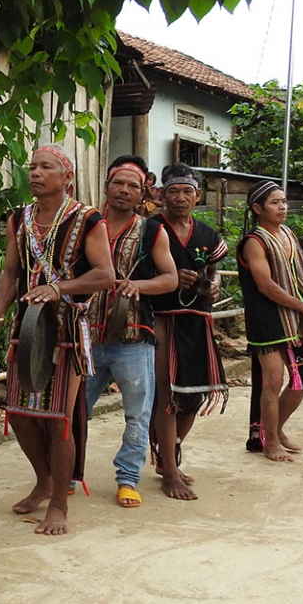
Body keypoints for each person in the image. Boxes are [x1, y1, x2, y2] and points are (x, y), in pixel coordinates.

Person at [0, 145, 112, 534]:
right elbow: (11, 270)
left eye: (46, 167)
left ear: (66, 177)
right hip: (26, 328)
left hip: (67, 329)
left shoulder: (87, 219)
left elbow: (105, 275)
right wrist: (0, 307)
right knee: (20, 415)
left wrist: (59, 288)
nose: (35, 173)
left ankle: (59, 505)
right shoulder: (19, 218)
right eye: (32, 166)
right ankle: (44, 479)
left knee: (58, 421)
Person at [82, 156, 178, 508]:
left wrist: (138, 285)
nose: (124, 191)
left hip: (133, 338)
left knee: (137, 411)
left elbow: (170, 277)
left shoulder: (152, 230)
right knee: (74, 409)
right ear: (106, 186)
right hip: (85, 337)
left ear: (142, 194)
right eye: (118, 183)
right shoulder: (85, 224)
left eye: (133, 186)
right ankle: (70, 472)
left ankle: (128, 477)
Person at [238, 180, 303, 462]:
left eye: (283, 201)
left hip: (294, 318)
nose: (282, 207)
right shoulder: (254, 242)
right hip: (267, 319)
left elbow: (301, 272)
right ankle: (269, 442)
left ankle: (276, 430)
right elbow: (266, 285)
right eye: (275, 203)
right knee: (273, 381)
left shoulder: (287, 234)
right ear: (257, 208)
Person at [146, 165, 230, 498]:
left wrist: (212, 286)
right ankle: (168, 470)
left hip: (198, 318)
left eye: (187, 192)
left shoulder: (207, 234)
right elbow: (135, 267)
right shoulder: (150, 229)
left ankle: (171, 453)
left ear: (197, 196)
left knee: (194, 394)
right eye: (174, 191)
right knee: (168, 396)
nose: (181, 198)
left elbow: (214, 271)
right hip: (162, 317)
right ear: (162, 195)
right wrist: (167, 277)